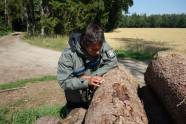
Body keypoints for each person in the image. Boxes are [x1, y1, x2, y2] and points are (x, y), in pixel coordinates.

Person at [57, 23, 118, 113]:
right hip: (75, 97)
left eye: (99, 48)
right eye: (94, 50)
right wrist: (87, 81)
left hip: (94, 95)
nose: (98, 52)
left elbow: (113, 62)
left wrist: (92, 76)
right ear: (84, 44)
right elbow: (63, 81)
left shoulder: (99, 43)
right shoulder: (68, 54)